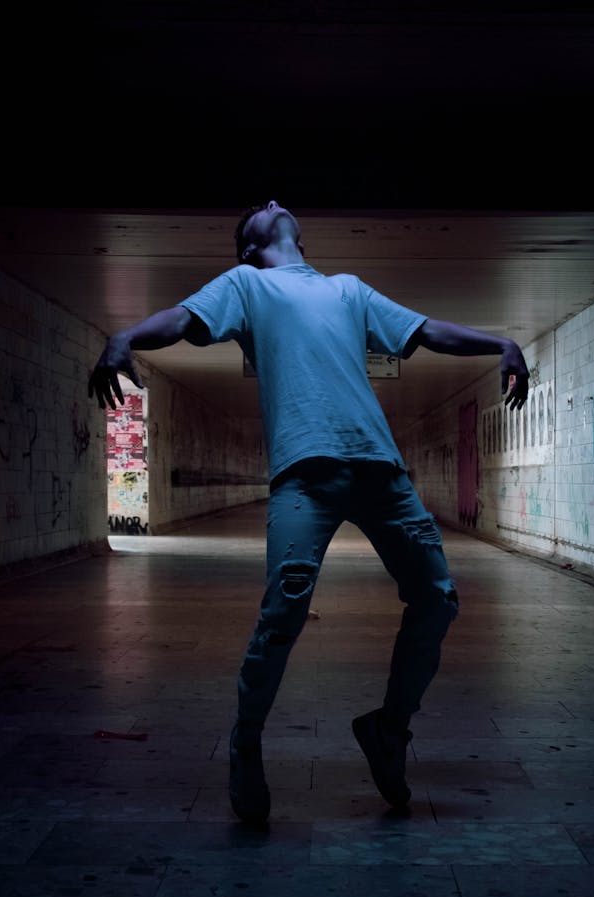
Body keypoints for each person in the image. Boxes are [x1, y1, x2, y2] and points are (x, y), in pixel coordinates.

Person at [88, 200, 529, 825]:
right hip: (304, 475)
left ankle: (389, 730)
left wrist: (502, 343)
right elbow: (182, 320)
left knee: (438, 598)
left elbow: (427, 330)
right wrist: (124, 336)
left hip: (381, 471)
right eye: (257, 210)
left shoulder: (349, 290)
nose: (272, 202)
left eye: (275, 202)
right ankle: (245, 744)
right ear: (250, 245)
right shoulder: (246, 285)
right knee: (284, 612)